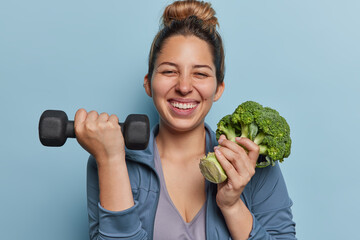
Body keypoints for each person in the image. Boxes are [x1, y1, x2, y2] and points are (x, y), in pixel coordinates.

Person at [74, 0, 296, 239]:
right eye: (169, 71)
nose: (184, 87)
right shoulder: (113, 157)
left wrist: (232, 206)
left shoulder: (253, 164)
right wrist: (111, 160)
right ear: (149, 83)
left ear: (218, 89)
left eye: (200, 74)